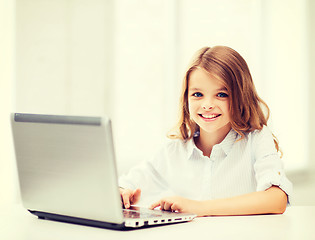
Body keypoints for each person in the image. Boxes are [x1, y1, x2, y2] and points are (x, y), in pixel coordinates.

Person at [119, 46, 292, 217]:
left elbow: (276, 199)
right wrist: (122, 193)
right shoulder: (173, 151)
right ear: (186, 97)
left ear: (241, 96)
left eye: (222, 94)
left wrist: (199, 207)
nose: (207, 104)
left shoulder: (257, 139)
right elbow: (125, 184)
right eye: (197, 94)